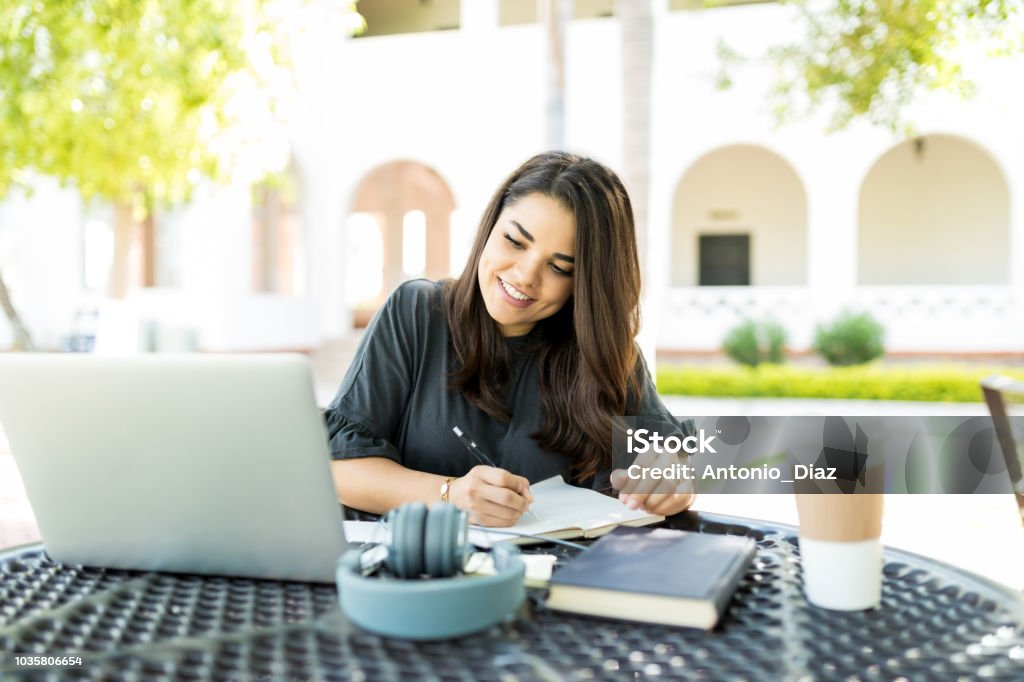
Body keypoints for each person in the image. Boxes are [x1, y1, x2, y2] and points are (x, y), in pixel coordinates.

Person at [325, 151, 694, 527]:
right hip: (427, 575)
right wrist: (449, 495)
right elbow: (339, 469)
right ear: (491, 226)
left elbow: (688, 459)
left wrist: (676, 481)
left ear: (585, 282)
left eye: (559, 267)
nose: (525, 275)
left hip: (563, 577)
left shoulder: (605, 354)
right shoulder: (417, 313)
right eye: (515, 241)